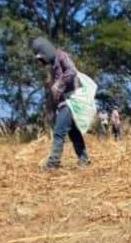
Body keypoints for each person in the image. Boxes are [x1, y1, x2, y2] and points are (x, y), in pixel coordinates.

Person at [32, 37, 89, 169]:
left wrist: (59, 83)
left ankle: (53, 163)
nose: (42, 62)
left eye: (41, 58)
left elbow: (72, 71)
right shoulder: (53, 64)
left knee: (58, 131)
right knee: (74, 133)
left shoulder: (62, 56)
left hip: (71, 101)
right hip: (65, 102)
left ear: (45, 51)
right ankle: (84, 160)